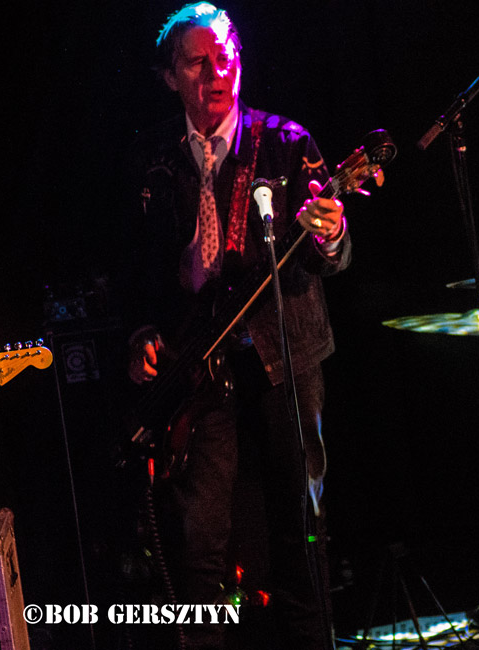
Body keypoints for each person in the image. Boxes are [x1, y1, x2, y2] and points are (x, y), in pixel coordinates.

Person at [123, 3, 348, 649]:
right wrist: (141, 334)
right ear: (170, 77)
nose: (216, 71)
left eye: (225, 57)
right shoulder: (151, 158)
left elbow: (327, 259)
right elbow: (137, 266)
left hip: (285, 356)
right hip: (199, 362)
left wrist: (331, 235)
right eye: (198, 61)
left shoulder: (284, 141)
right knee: (200, 539)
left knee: (301, 529)